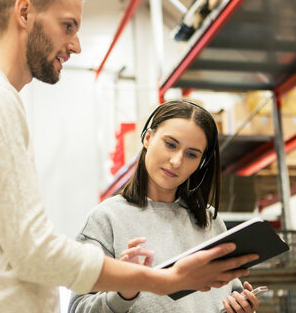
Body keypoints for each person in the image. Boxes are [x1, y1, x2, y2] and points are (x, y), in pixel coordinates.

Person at [0, 0, 258, 312]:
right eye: (68, 26)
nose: (76, 45)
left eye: (193, 154)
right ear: (24, 13)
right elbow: (34, 250)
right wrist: (162, 280)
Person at [69, 100, 261, 313]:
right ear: (148, 138)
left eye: (191, 154)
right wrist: (125, 293)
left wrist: (240, 308)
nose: (177, 161)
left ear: (200, 163)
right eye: (170, 144)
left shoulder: (211, 221)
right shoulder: (105, 220)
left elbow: (223, 297)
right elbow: (79, 309)